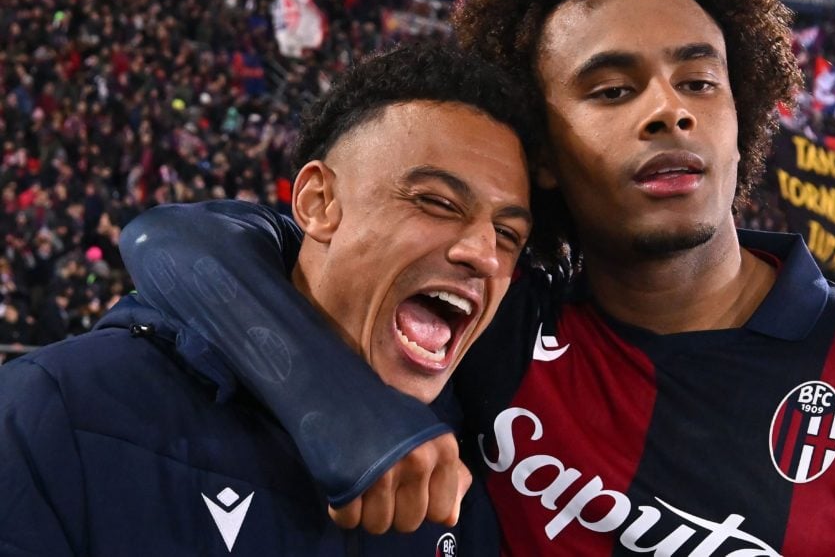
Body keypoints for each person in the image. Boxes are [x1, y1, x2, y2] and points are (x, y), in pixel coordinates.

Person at [118, 0, 835, 556]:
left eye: (700, 81)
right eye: (612, 88)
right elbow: (180, 244)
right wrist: (341, 408)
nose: (670, 111)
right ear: (542, 152)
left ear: (745, 116)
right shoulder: (490, 321)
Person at [0, 43, 540, 554]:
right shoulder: (59, 410)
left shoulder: (462, 476)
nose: (485, 255)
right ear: (318, 202)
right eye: (438, 202)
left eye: (509, 235)